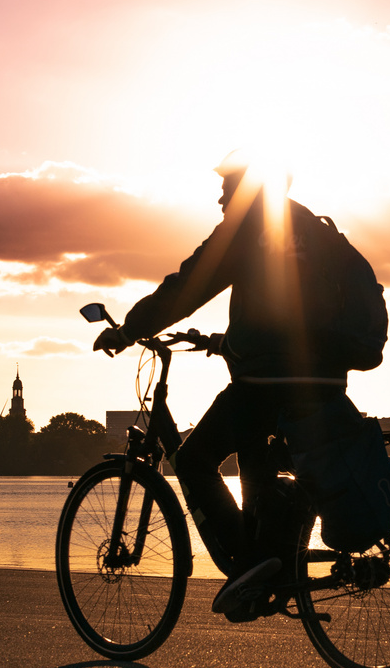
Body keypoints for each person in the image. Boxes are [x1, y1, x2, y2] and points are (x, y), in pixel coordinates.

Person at [93, 151, 364, 620]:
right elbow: (283, 310)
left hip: (267, 379)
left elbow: (188, 286)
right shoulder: (316, 229)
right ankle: (272, 558)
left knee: (195, 459)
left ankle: (248, 569)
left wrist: (129, 329)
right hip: (324, 377)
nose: (220, 195)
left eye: (228, 185)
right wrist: (229, 341)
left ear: (248, 192)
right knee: (260, 459)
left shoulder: (246, 231)